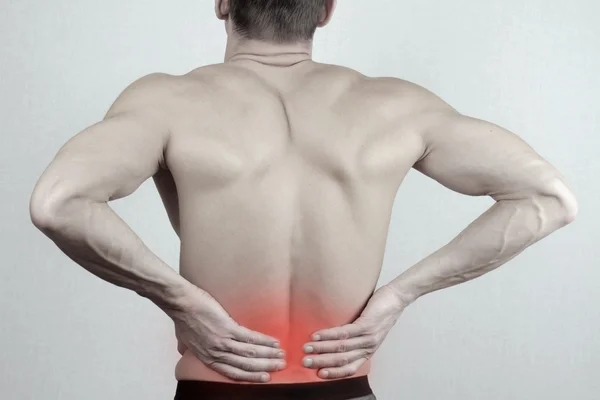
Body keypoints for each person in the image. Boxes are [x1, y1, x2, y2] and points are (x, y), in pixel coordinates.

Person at [29, 0, 578, 399]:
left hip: (220, 390)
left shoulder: (167, 102)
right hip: (342, 387)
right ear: (326, 10)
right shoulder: (396, 107)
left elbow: (59, 202)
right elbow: (548, 198)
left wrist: (181, 301)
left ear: (222, 4)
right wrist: (399, 295)